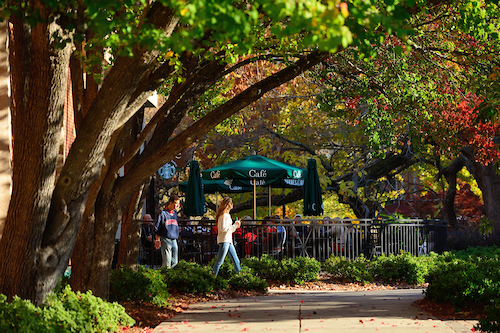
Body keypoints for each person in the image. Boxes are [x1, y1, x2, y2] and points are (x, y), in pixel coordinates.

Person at [212, 197, 242, 276]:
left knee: (236, 260)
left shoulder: (226, 215)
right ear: (227, 205)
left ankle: (241, 277)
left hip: (228, 240)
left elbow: (229, 230)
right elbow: (223, 229)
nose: (232, 205)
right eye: (231, 203)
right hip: (224, 241)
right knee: (220, 261)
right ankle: (212, 277)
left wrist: (235, 226)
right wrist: (234, 226)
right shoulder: (224, 216)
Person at [154, 194, 181, 268]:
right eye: (176, 203)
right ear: (170, 203)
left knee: (175, 262)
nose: (177, 205)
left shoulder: (175, 213)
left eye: (178, 204)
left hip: (174, 239)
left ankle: (172, 277)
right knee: (167, 262)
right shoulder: (163, 214)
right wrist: (157, 239)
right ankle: (164, 275)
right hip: (166, 238)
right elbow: (157, 227)